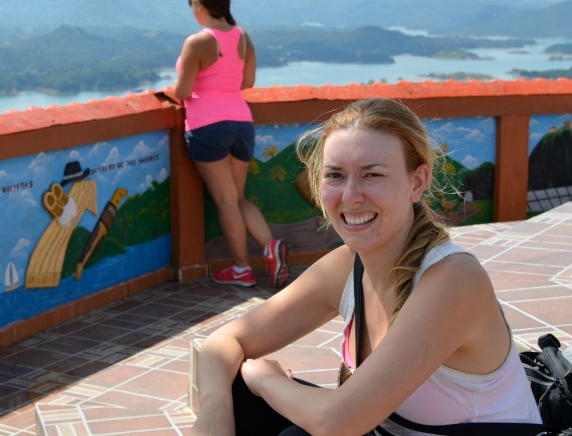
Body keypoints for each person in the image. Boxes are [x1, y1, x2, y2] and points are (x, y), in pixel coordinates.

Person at [191, 98, 543, 435]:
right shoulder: (347, 268)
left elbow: (337, 422)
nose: (351, 195)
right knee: (236, 390)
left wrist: (270, 380)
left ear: (416, 182)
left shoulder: (453, 280)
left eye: (372, 175)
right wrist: (214, 413)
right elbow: (223, 341)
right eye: (335, 176)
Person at [172, 0, 289, 289]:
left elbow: (183, 90)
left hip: (207, 126)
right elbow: (247, 82)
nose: (192, 7)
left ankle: (241, 269)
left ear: (203, 5)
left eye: (192, 1)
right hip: (241, 123)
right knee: (237, 198)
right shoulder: (244, 38)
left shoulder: (197, 42)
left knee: (225, 202)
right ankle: (270, 246)